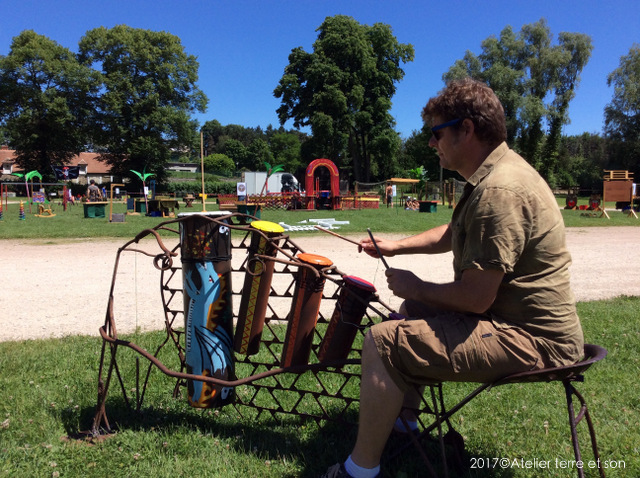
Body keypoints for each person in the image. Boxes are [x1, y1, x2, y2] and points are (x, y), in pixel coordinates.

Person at [320, 78, 584, 478]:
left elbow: (476, 299)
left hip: (535, 340)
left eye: (436, 133)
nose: (431, 143)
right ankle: (405, 426)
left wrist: (416, 285)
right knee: (409, 311)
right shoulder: (493, 176)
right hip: (517, 324)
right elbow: (452, 232)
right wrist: (394, 248)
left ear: (468, 129)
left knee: (381, 341)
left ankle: (358, 471)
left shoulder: (500, 191)